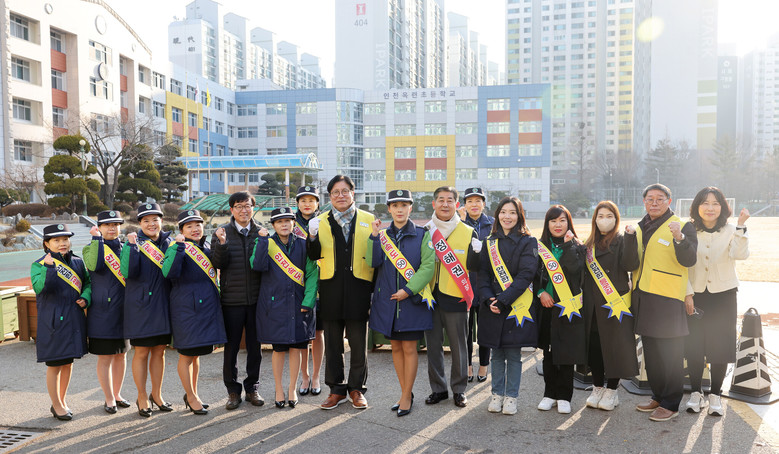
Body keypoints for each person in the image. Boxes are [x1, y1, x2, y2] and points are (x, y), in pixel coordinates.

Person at [626, 183, 698, 422]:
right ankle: (658, 396)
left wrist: (679, 238)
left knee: (670, 355)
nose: (654, 203)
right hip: (643, 296)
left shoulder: (683, 226)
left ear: (669, 201)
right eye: (650, 199)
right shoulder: (638, 227)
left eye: (659, 198)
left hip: (668, 298)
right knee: (652, 354)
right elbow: (632, 262)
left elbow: (689, 260)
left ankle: (671, 403)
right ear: (644, 202)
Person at [308, 175, 375, 410]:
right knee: (333, 344)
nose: (341, 195)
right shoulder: (319, 221)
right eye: (335, 192)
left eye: (345, 191)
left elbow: (376, 255)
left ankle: (357, 389)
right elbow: (313, 255)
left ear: (353, 193)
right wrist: (312, 237)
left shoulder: (369, 219)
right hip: (331, 288)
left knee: (358, 344)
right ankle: (336, 389)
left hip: (360, 288)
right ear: (329, 196)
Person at [367, 190, 435, 417]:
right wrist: (374, 237)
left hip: (412, 300)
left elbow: (428, 267)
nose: (399, 209)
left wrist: (408, 290)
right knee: (395, 347)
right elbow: (373, 262)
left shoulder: (422, 234)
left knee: (409, 348)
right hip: (388, 302)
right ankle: (405, 392)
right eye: (395, 205)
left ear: (410, 208)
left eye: (404, 205)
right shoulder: (382, 235)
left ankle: (406, 396)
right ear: (389, 209)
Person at [683, 187, 749, 416]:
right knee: (694, 345)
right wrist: (687, 293)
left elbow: (740, 255)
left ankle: (715, 395)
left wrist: (741, 226)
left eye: (715, 203)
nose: (710, 208)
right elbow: (682, 265)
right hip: (695, 295)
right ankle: (695, 393)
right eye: (705, 203)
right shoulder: (688, 230)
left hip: (724, 295)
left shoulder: (731, 229)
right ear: (697, 206)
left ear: (723, 207)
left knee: (720, 346)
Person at [251, 207, 318, 409]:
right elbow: (257, 265)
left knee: (297, 348)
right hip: (275, 305)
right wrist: (262, 241)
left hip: (299, 303)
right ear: (273, 225)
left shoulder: (303, 244)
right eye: (279, 222)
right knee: (278, 349)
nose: (284, 225)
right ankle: (279, 389)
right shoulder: (266, 243)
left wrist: (308, 301)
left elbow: (312, 273)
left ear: (293, 223)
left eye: (287, 221)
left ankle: (292, 389)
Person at [163, 210, 228, 415]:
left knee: (196, 354)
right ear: (181, 230)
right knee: (186, 354)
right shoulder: (176, 247)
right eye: (189, 226)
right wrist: (179, 247)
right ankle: (190, 396)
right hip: (186, 309)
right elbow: (169, 272)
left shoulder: (206, 246)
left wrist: (221, 243)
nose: (194, 229)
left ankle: (194, 393)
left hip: (206, 307)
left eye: (198, 225)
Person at [478, 197, 538, 416]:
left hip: (516, 305)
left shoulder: (528, 241)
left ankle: (511, 397)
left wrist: (504, 300)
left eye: (512, 212)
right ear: (497, 215)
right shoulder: (489, 242)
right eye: (503, 212)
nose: (507, 216)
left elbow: (526, 274)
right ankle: (497, 394)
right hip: (492, 305)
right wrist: (488, 299)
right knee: (496, 354)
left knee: (513, 354)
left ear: (519, 216)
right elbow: (483, 274)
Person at [423, 186, 481, 408]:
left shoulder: (468, 232)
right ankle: (438, 389)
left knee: (459, 347)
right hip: (430, 296)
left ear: (457, 205)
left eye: (450, 200)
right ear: (434, 204)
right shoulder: (425, 230)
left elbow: (475, 267)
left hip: (456, 296)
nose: (445, 204)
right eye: (441, 200)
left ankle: (459, 389)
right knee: (433, 346)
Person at [581, 201, 639, 411]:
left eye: (609, 216)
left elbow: (630, 265)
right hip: (592, 304)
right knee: (595, 347)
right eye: (600, 216)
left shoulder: (622, 240)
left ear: (616, 219)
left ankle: (612, 390)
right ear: (594, 219)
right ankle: (597, 387)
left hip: (615, 303)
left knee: (615, 347)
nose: (604, 220)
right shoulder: (589, 243)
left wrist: (631, 238)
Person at [211, 191, 265, 410]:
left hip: (257, 300)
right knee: (231, 348)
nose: (244, 210)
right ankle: (233, 391)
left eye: (248, 206)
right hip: (231, 300)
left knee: (255, 348)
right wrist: (223, 244)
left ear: (253, 207)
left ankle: (252, 388)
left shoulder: (261, 232)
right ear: (232, 209)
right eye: (239, 206)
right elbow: (217, 263)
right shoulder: (221, 232)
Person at [31, 224, 91, 421]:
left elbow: (88, 283)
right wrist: (49, 268)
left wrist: (85, 297)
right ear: (47, 244)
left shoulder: (77, 262)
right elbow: (41, 288)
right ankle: (56, 404)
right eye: (56, 240)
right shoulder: (39, 265)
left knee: (68, 363)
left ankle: (62, 400)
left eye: (65, 239)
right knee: (55, 364)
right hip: (53, 323)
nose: (62, 243)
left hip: (74, 319)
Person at [121, 203, 173, 417]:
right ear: (139, 223)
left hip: (163, 304)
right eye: (146, 220)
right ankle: (142, 395)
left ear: (162, 220)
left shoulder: (169, 242)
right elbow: (127, 271)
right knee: (141, 352)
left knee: (160, 351)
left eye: (155, 220)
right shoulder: (133, 242)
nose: (152, 224)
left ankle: (156, 394)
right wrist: (132, 247)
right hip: (140, 305)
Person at [535, 205, 586, 415]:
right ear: (547, 224)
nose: (558, 225)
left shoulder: (577, 246)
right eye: (553, 220)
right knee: (548, 353)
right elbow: (532, 275)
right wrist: (540, 292)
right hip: (546, 306)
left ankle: (565, 396)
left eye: (562, 220)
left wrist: (567, 245)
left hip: (568, 307)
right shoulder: (539, 247)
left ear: (569, 223)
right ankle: (549, 394)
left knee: (566, 353)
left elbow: (574, 269)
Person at [82, 211, 130, 414]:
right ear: (99, 227)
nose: (112, 228)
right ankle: (108, 398)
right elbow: (95, 265)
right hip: (102, 312)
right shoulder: (90, 248)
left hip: (124, 311)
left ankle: (117, 394)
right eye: (107, 225)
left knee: (121, 355)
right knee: (105, 357)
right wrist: (96, 240)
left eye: (116, 224)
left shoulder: (126, 247)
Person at [458, 187, 494, 383]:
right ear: (464, 205)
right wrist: (462, 222)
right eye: (470, 201)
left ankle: (483, 365)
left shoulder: (493, 224)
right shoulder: (459, 224)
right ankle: (467, 366)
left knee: (485, 329)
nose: (474, 204)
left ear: (483, 204)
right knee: (466, 329)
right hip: (465, 284)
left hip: (487, 285)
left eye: (478, 201)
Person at [294, 185, 324, 397]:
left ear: (317, 203)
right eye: (303, 200)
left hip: (322, 284)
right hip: (298, 285)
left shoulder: (324, 222)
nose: (307, 204)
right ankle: (304, 376)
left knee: (319, 333)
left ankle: (316, 376)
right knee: (302, 334)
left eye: (311, 200)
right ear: (297, 203)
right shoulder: (289, 222)